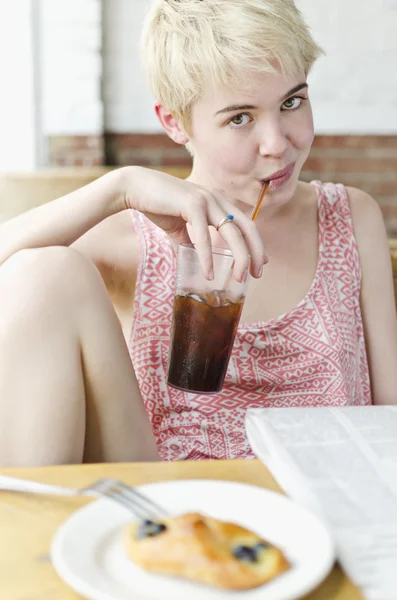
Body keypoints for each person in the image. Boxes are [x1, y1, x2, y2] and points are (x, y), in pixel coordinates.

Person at [1, 0, 397, 467]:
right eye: (239, 117)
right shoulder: (129, 237)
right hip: (171, 507)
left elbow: (389, 416)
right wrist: (119, 187)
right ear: (174, 122)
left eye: (291, 102)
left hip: (326, 506)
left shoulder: (350, 217)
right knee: (44, 268)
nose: (278, 143)